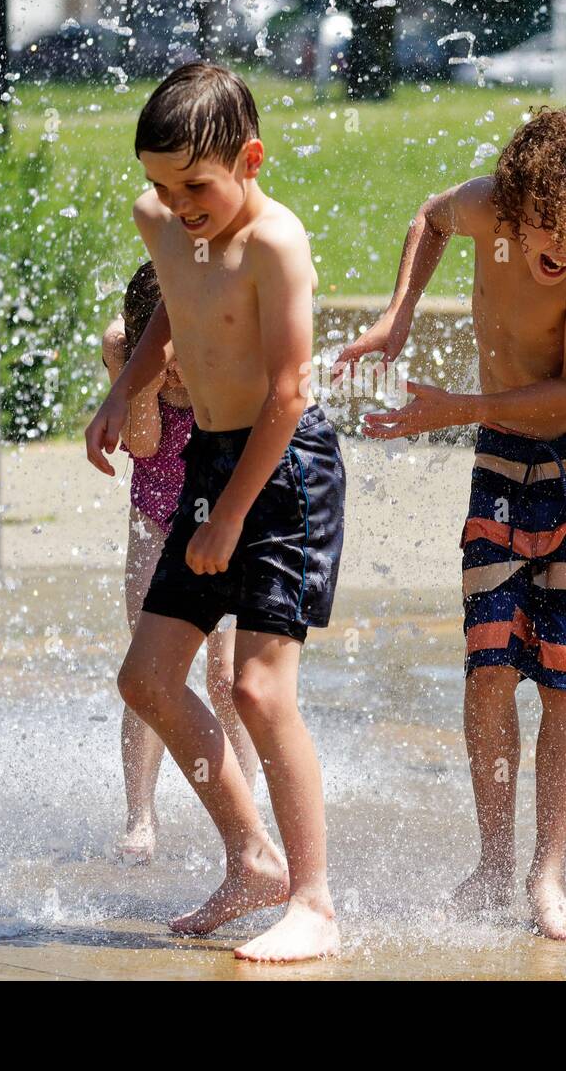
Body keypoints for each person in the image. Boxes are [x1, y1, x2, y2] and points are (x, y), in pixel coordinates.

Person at [334, 106, 566, 940]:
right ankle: (491, 863)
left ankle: (549, 875)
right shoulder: (488, 206)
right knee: (488, 664)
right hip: (504, 455)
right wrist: (399, 315)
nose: (564, 251)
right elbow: (429, 218)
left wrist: (455, 408)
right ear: (522, 198)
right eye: (553, 229)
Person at [85, 62, 345, 963]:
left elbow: (286, 392)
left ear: (252, 157)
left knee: (257, 687)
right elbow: (175, 306)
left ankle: (313, 899)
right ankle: (251, 858)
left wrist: (231, 515)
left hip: (284, 470)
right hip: (211, 461)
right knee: (147, 680)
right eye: (160, 183)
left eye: (196, 184)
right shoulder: (162, 218)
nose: (176, 203)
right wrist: (128, 387)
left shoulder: (276, 244)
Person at [99, 262, 257, 863]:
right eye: (158, 356)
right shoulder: (127, 351)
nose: (173, 371)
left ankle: (244, 818)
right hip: (154, 520)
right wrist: (138, 376)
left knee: (227, 679)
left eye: (177, 354)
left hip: (222, 523)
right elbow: (141, 444)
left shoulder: (225, 347)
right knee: (149, 674)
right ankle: (139, 816)